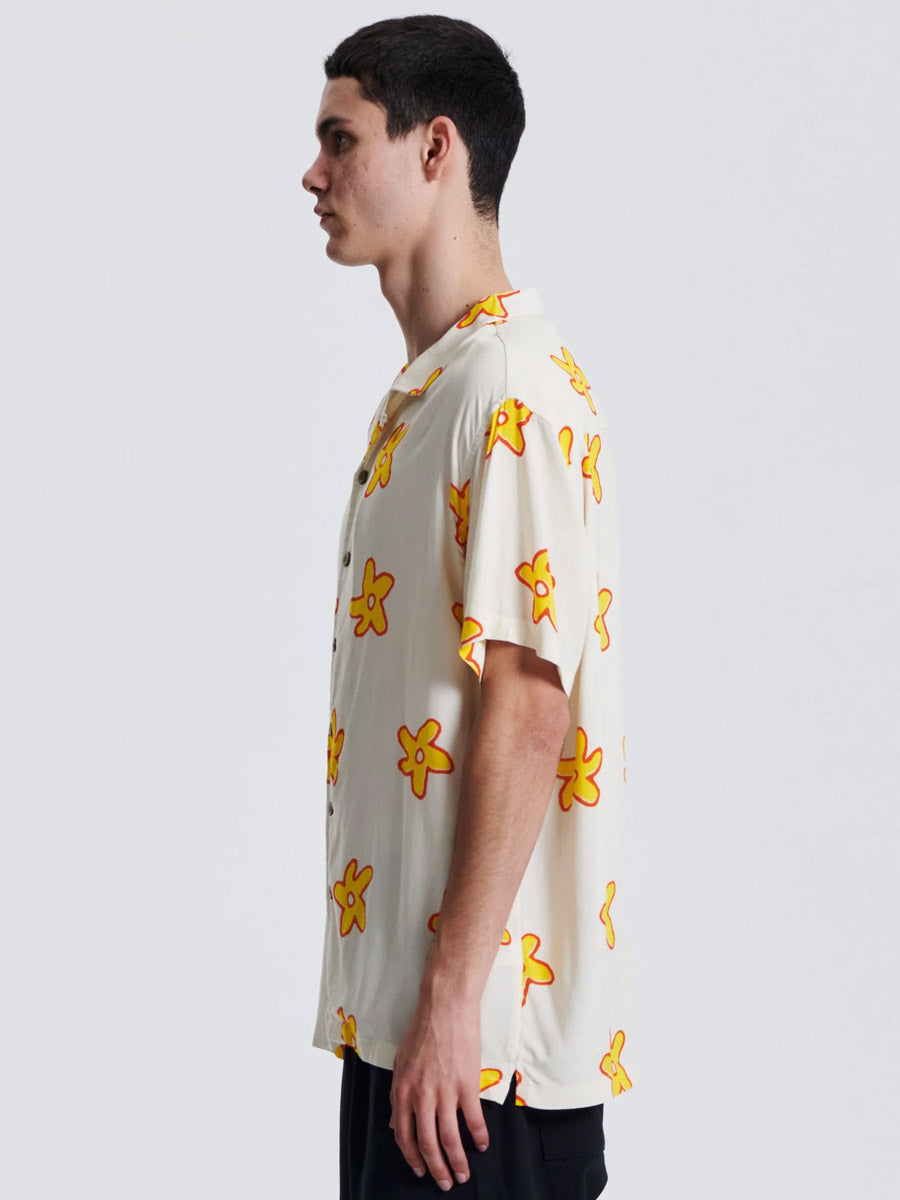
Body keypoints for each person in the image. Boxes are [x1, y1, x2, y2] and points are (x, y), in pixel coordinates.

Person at [302, 15, 634, 1198]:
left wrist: (451, 1005)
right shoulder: (435, 389)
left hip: (479, 1064)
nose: (313, 175)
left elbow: (531, 709)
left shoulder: (509, 386)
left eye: (341, 140)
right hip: (415, 1041)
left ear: (436, 147)